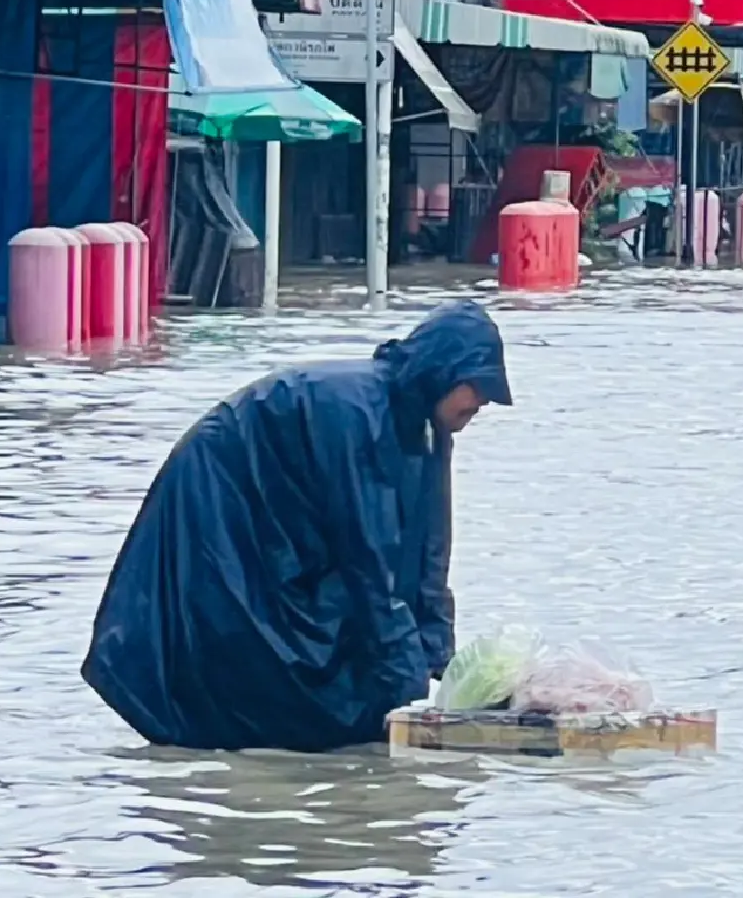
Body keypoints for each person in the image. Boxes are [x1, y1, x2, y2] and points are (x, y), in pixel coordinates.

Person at [81, 299, 512, 753]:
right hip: (219, 501)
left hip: (288, 520)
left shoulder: (429, 428)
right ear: (441, 372)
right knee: (252, 646)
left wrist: (446, 669)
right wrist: (409, 688)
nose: (481, 402)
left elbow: (429, 554)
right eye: (476, 387)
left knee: (361, 654)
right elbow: (367, 555)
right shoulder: (357, 412)